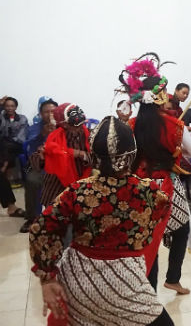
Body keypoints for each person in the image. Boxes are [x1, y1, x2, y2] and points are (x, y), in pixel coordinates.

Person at [29, 116, 175, 325]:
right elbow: (160, 215)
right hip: (124, 283)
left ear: (93, 155)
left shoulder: (77, 191)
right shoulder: (150, 192)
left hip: (77, 281)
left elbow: (40, 228)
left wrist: (48, 277)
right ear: (132, 155)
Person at [119, 53, 191, 296]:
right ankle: (173, 278)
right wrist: (180, 148)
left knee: (148, 236)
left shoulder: (132, 126)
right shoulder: (174, 125)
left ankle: (150, 289)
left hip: (139, 185)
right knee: (181, 229)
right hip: (166, 184)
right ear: (159, 97)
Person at [40, 103, 92, 207]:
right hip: (57, 181)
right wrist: (43, 156)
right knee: (54, 210)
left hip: (82, 179)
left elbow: (96, 158)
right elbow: (43, 159)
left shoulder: (89, 135)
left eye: (81, 124)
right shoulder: (54, 137)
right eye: (75, 126)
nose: (80, 128)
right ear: (64, 124)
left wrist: (83, 155)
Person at [20, 98, 57, 232]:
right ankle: (32, 217)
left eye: (53, 111)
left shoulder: (63, 125)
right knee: (32, 180)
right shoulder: (35, 128)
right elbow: (29, 147)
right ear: (41, 114)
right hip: (39, 164)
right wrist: (42, 135)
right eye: (46, 112)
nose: (50, 114)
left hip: (61, 164)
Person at [0, 96, 29, 173]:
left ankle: (4, 167)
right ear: (4, 107)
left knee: (5, 145)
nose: (9, 108)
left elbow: (21, 136)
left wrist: (10, 139)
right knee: (4, 146)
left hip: (17, 144)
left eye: (12, 106)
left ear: (16, 107)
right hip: (3, 145)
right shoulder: (2, 117)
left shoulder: (22, 118)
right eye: (7, 106)